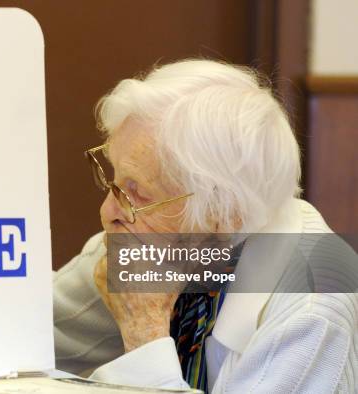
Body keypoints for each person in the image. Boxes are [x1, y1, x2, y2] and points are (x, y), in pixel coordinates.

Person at [53, 59, 357, 393]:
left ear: (226, 213)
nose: (108, 211)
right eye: (115, 184)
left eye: (137, 194)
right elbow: (19, 328)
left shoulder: (314, 304)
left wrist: (145, 334)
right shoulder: (145, 240)